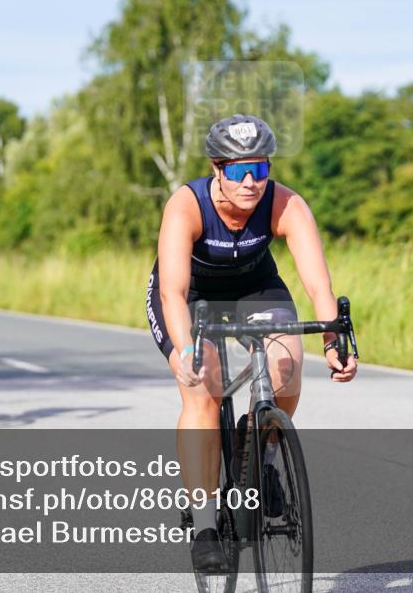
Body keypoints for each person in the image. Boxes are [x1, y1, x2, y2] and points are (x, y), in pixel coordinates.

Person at [146, 114, 359, 570]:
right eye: (239, 170)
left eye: (259, 169)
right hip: (192, 295)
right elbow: (172, 294)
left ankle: (257, 450)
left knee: (287, 367)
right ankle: (205, 526)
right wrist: (186, 351)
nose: (250, 182)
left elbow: (318, 285)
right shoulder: (187, 206)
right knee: (204, 388)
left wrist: (332, 343)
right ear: (216, 169)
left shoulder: (286, 204)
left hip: (255, 287)